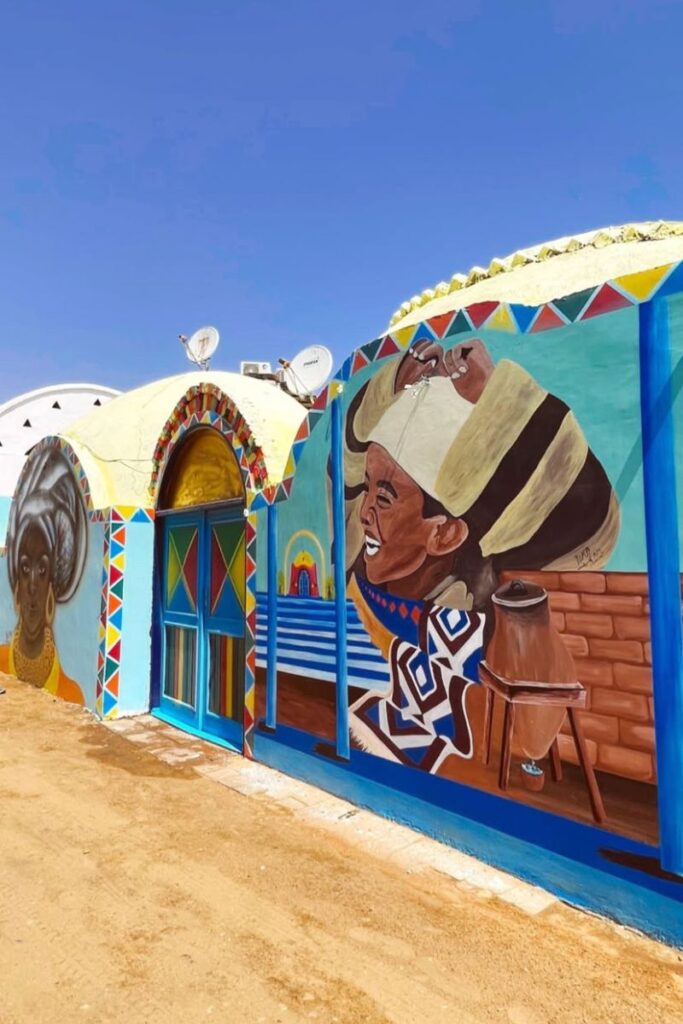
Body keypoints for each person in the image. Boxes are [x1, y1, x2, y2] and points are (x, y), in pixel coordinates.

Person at [341, 338, 619, 771]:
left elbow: (592, 517)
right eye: (368, 489)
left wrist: (500, 404)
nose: (364, 511)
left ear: (446, 533)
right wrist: (393, 383)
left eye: (386, 495)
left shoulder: (478, 619)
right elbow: (348, 457)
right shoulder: (358, 559)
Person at [0, 447, 88, 704]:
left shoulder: (71, 694)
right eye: (25, 569)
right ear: (16, 585)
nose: (33, 587)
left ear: (54, 585)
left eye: (43, 569)